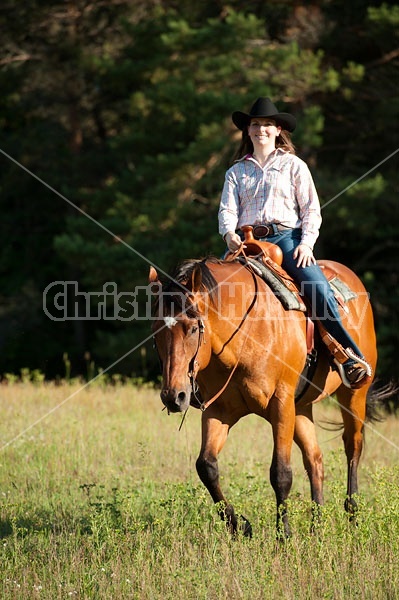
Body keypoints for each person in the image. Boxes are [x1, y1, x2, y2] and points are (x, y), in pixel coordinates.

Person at [218, 96, 372, 389]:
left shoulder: (294, 166)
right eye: (254, 124)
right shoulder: (235, 172)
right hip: (245, 241)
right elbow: (227, 211)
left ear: (277, 130)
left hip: (287, 239)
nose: (260, 129)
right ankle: (206, 379)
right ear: (247, 130)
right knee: (213, 294)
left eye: (266, 124)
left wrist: (307, 245)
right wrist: (229, 234)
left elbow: (311, 209)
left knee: (318, 289)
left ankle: (350, 357)